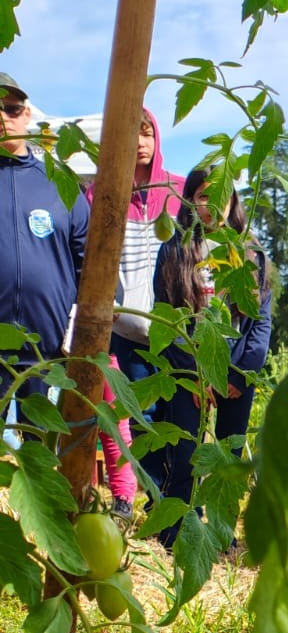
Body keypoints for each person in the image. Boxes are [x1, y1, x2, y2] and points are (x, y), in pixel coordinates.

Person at [151, 168, 272, 546]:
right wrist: (193, 375)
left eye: (220, 194)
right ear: (189, 200)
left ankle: (222, 532)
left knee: (228, 455)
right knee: (184, 450)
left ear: (233, 199)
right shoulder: (174, 250)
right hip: (189, 371)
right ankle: (180, 530)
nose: (211, 204)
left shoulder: (250, 252)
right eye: (203, 195)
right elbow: (166, 318)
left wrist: (238, 375)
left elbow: (260, 322)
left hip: (236, 372)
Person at [0, 73, 88, 423]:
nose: (3, 117)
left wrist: (78, 327)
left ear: (27, 115)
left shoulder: (60, 183)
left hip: (47, 351)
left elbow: (90, 260)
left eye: (11, 108)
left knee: (42, 456)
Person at [108, 107, 183, 389]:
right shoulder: (104, 193)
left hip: (178, 330)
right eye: (132, 135)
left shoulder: (179, 190)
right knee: (140, 417)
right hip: (128, 330)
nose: (140, 143)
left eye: (147, 134)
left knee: (180, 419)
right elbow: (88, 257)